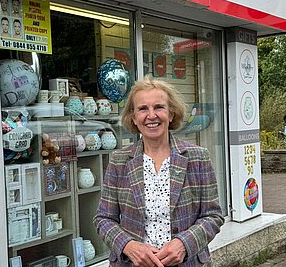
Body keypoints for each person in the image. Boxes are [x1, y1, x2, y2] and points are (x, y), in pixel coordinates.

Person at [94, 77, 224, 267]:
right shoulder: (119, 161)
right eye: (143, 109)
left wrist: (183, 244)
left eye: (159, 107)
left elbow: (213, 216)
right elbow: (103, 219)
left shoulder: (198, 157)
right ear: (133, 117)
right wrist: (129, 246)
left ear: (171, 114)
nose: (151, 115)